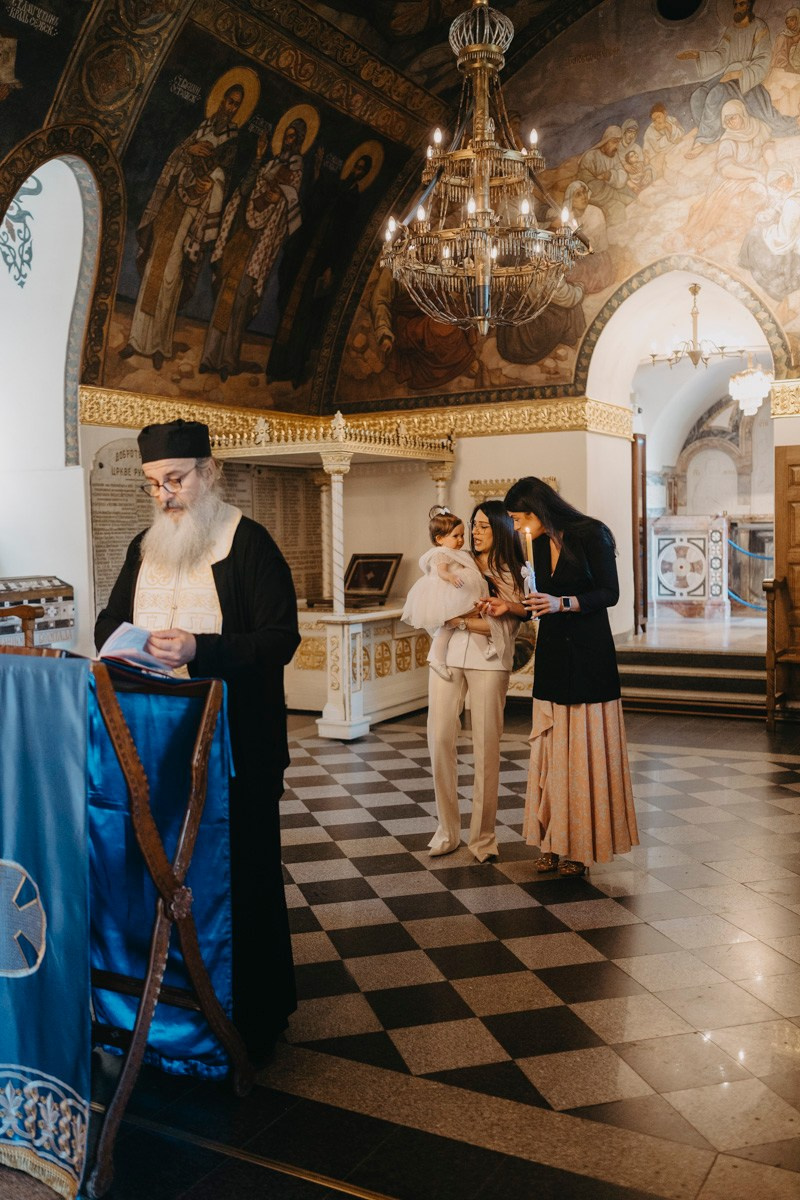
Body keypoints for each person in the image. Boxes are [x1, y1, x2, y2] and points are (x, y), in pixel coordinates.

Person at [95, 418, 300, 1063]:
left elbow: (279, 639)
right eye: (154, 484)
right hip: (156, 752)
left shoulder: (249, 545)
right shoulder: (143, 547)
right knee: (163, 877)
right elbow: (110, 619)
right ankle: (163, 1019)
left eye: (176, 480)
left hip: (235, 748)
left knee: (241, 875)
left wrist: (198, 648)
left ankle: (251, 1017)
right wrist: (130, 644)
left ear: (208, 474)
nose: (165, 495)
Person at [494, 477, 638, 877]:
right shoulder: (537, 544)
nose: (519, 526)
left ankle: (581, 844)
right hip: (555, 652)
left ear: (540, 510)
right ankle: (552, 840)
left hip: (590, 652)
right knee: (553, 753)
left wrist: (564, 603)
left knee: (584, 751)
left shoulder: (592, 534)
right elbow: (540, 604)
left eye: (521, 517)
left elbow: (610, 593)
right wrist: (511, 606)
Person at [426, 501, 525, 863]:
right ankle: (447, 831)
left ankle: (482, 838)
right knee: (438, 738)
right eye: (474, 524)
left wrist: (462, 621)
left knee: (485, 746)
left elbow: (509, 624)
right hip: (448, 658)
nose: (476, 532)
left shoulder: (512, 571)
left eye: (484, 525)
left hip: (489, 660)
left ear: (501, 528)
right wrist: (450, 616)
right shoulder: (457, 560)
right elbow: (435, 601)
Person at [120, 85, 244, 370]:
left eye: (236, 104)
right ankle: (137, 339)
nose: (231, 107)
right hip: (173, 203)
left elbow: (224, 174)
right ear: (221, 99)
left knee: (172, 275)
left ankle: (160, 345)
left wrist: (212, 180)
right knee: (153, 266)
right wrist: (188, 149)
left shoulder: (232, 140)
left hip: (193, 212)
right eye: (229, 99)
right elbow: (178, 155)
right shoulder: (203, 127)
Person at [200, 119, 307, 381]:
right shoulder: (270, 164)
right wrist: (259, 159)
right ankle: (209, 356)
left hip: (259, 245)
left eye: (294, 137)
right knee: (224, 296)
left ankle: (228, 360)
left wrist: (272, 194)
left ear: (300, 142)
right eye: (286, 136)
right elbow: (248, 192)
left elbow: (282, 201)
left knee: (241, 303)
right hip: (241, 239)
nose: (288, 141)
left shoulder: (294, 168)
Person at [677, 0, 797, 158]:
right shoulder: (731, 31)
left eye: (741, 4)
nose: (737, 9)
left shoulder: (759, 27)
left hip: (747, 74)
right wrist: (699, 55)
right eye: (735, 5)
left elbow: (763, 58)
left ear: (748, 6)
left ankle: (704, 140)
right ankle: (714, 133)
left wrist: (738, 73)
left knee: (717, 92)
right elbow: (722, 55)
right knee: (698, 95)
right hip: (729, 72)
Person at [402, 506, 492, 680]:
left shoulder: (456, 553)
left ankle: (486, 649)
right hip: (446, 594)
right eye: (455, 536)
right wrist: (451, 577)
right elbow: (442, 572)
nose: (460, 540)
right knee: (446, 629)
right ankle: (437, 659)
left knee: (471, 619)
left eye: (462, 535)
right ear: (440, 539)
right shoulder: (441, 553)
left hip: (457, 592)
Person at [577, 126, 636, 225]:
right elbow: (585, 185)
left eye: (618, 142)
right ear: (606, 141)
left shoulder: (614, 155)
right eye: (614, 142)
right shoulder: (591, 157)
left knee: (634, 202)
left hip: (611, 194)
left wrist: (610, 176)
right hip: (597, 199)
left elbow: (622, 175)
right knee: (618, 209)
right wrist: (609, 184)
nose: (617, 146)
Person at [642, 103, 685, 177]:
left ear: (665, 113)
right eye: (654, 120)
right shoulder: (650, 131)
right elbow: (656, 149)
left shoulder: (671, 120)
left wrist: (667, 126)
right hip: (658, 159)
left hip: (674, 151)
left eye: (659, 117)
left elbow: (681, 134)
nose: (657, 121)